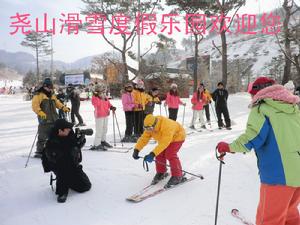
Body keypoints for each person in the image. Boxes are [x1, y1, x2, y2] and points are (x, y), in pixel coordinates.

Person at [216, 76, 300, 225]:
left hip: (278, 175)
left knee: (269, 220)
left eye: (251, 94)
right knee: (288, 212)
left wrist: (229, 147)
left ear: (258, 93)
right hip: (297, 174)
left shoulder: (262, 108)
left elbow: (252, 137)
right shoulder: (293, 107)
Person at [42, 119, 91, 203]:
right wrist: (72, 149)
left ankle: (69, 179)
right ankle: (62, 191)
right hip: (59, 166)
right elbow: (55, 158)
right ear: (60, 130)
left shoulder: (70, 134)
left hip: (72, 164)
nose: (69, 130)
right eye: (67, 129)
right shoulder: (51, 142)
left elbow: (75, 149)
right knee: (63, 170)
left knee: (85, 186)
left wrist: (80, 142)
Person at [132, 114, 186, 188]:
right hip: (164, 139)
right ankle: (161, 172)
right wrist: (137, 149)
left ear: (155, 124)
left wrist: (152, 154)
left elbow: (164, 143)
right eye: (146, 128)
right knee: (159, 153)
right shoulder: (149, 126)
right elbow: (144, 138)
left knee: (170, 154)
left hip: (177, 136)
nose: (148, 130)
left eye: (150, 128)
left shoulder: (167, 126)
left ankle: (177, 175)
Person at [32, 78, 70, 158]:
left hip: (54, 119)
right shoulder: (38, 95)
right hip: (44, 119)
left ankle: (53, 150)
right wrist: (40, 112)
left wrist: (63, 107)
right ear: (45, 86)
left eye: (51, 87)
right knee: (42, 136)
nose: (50, 89)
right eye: (49, 87)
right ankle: (39, 151)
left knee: (54, 136)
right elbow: (35, 106)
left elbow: (57, 103)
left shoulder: (52, 95)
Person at [90, 84, 116, 150]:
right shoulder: (94, 97)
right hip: (99, 115)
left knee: (105, 129)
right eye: (101, 90)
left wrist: (111, 107)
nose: (102, 91)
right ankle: (97, 144)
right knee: (99, 130)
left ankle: (103, 141)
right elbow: (96, 104)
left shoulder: (104, 96)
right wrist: (97, 97)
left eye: (102, 90)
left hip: (105, 114)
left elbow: (108, 103)